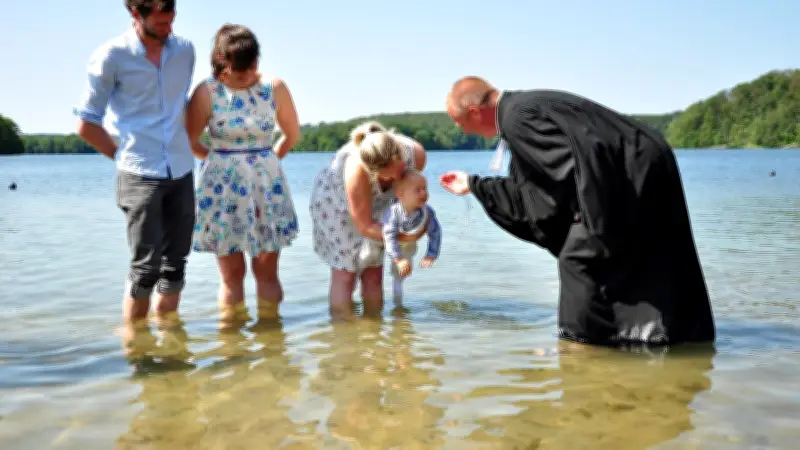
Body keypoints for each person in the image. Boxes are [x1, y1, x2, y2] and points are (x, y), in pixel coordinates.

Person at [440, 76, 716, 346]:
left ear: (474, 112)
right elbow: (544, 181)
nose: (462, 131)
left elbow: (555, 183)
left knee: (579, 259)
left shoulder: (517, 119)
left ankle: (584, 344)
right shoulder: (522, 107)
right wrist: (475, 185)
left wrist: (479, 187)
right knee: (642, 251)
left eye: (459, 123)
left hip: (629, 171)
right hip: (640, 162)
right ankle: (670, 333)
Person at [74, 0, 196, 325]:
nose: (168, 26)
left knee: (175, 265)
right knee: (145, 269)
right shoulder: (111, 56)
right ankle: (134, 345)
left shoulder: (185, 51)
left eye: (171, 18)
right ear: (134, 13)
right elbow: (87, 123)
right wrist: (122, 156)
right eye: (159, 21)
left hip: (181, 170)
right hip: (139, 173)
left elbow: (183, 106)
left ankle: (171, 341)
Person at [185, 24, 300, 323]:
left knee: (267, 271)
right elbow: (190, 141)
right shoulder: (207, 92)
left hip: (266, 187)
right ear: (221, 63)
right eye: (240, 72)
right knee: (232, 275)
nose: (249, 75)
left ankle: (272, 336)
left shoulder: (274, 88)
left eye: (252, 67)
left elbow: (292, 135)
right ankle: (230, 342)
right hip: (222, 190)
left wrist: (268, 162)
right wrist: (220, 162)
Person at [310, 121, 428, 317]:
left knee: (373, 270)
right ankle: (342, 327)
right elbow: (365, 226)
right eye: (389, 176)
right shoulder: (357, 169)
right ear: (374, 172)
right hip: (335, 204)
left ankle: (372, 328)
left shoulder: (415, 155)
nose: (396, 178)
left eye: (400, 170)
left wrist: (417, 222)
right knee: (346, 273)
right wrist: (403, 237)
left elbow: (412, 193)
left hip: (379, 202)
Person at [359, 168, 442, 308]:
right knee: (367, 258)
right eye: (418, 190)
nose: (424, 193)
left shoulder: (427, 212)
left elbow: (435, 232)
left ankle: (398, 305)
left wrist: (431, 254)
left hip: (407, 243)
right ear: (401, 195)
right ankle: (357, 277)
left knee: (401, 273)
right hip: (379, 238)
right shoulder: (393, 212)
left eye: (425, 188)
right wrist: (398, 259)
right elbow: (389, 235)